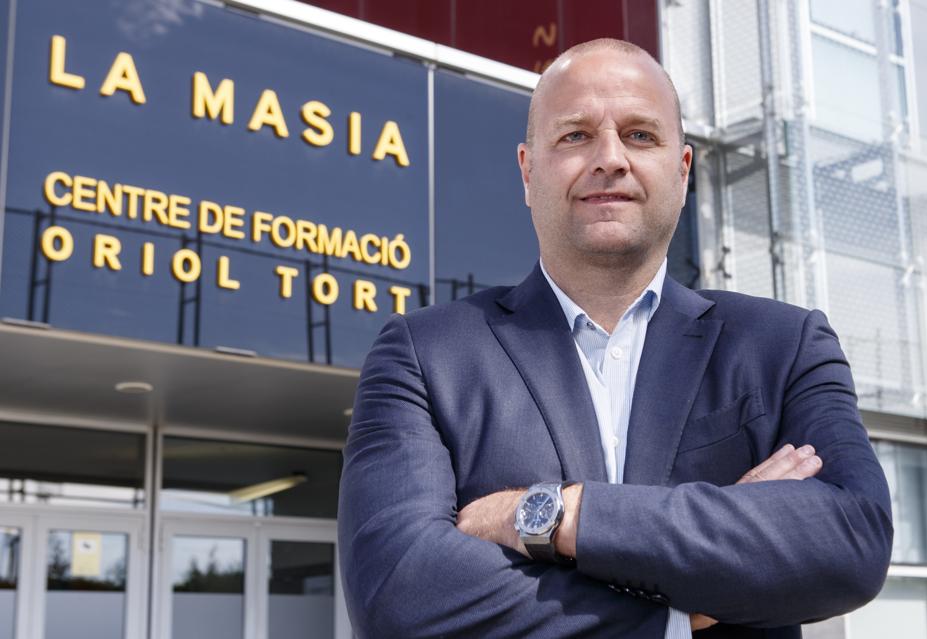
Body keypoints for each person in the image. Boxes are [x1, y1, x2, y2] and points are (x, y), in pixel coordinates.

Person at [338, 38, 892, 638]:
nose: (610, 158)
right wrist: (684, 610)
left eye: (640, 135)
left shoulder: (784, 347)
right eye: (575, 135)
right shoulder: (425, 355)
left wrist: (553, 515)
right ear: (528, 171)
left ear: (681, 172)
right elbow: (399, 594)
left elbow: (850, 540)